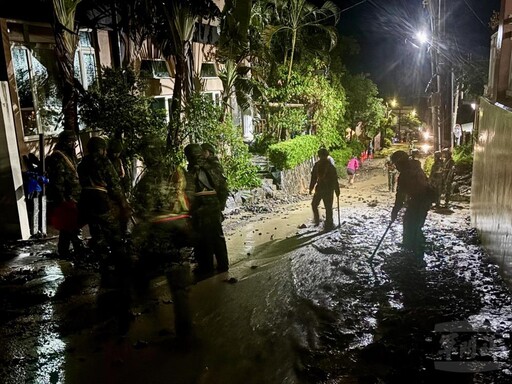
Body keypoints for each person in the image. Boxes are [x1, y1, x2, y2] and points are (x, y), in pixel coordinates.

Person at [77, 136, 131, 269]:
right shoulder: (103, 161)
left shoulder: (82, 163)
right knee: (114, 232)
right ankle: (122, 264)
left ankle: (104, 263)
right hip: (101, 201)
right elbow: (114, 184)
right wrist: (123, 203)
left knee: (96, 232)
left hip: (86, 201)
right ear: (101, 149)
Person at [185, 143, 229, 274]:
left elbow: (188, 193)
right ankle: (223, 265)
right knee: (217, 236)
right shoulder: (213, 167)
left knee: (202, 239)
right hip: (213, 205)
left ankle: (206, 268)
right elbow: (222, 188)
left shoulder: (192, 170)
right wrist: (220, 206)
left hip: (200, 207)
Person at [45, 130, 84, 259]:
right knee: (71, 226)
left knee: (68, 227)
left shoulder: (68, 155)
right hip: (67, 198)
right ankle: (76, 250)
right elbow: (58, 180)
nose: (74, 145)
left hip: (72, 196)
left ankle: (65, 252)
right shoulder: (58, 157)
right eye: (72, 142)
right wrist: (62, 200)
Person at [390, 150, 434, 254]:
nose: (396, 167)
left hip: (419, 201)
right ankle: (413, 246)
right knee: (413, 223)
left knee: (411, 224)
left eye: (396, 164)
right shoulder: (416, 167)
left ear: (401, 163)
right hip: (423, 200)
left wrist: (395, 211)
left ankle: (414, 251)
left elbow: (400, 196)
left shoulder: (406, 174)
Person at [309, 148, 340, 231]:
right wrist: (337, 190)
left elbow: (313, 178)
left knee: (315, 205)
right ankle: (327, 223)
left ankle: (319, 221)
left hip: (321, 188)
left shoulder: (318, 165)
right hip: (328, 189)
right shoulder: (330, 166)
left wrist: (311, 188)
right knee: (327, 207)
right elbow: (335, 179)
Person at [201, 143, 229, 211]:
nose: (202, 154)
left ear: (210, 153)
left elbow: (218, 182)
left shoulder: (213, 163)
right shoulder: (209, 162)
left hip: (217, 197)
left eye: (204, 151)